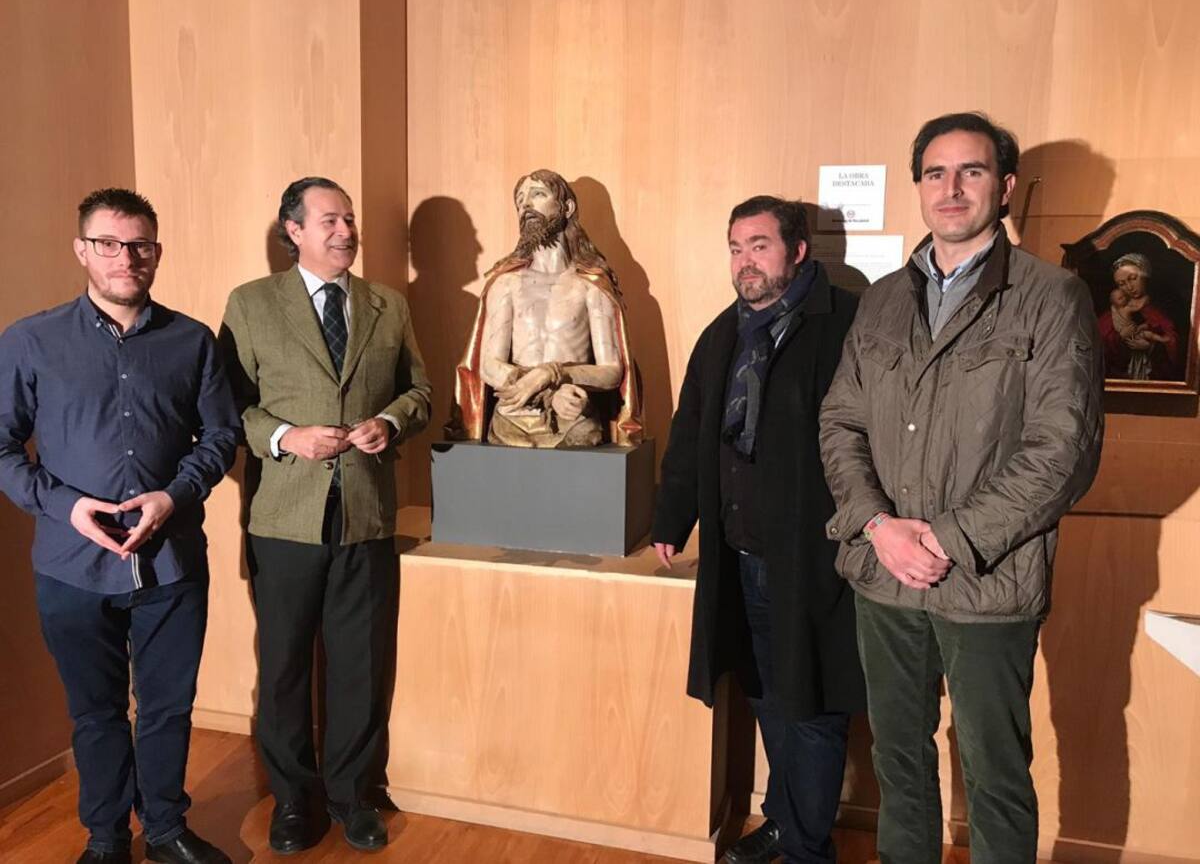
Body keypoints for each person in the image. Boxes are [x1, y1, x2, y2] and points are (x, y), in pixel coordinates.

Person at [820, 112, 1105, 863]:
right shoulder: (883, 299)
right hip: (885, 574)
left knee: (995, 772)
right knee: (898, 760)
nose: (951, 188)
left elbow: (1064, 449)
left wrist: (949, 538)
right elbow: (841, 422)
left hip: (989, 580)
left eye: (970, 171)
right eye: (935, 173)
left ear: (1004, 187)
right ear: (919, 186)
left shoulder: (1052, 296)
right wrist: (877, 525)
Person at [0, 188, 239, 864]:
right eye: (108, 243)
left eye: (140, 245)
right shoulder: (30, 341)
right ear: (82, 250)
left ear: (156, 253)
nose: (125, 258)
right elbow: (2, 447)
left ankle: (164, 829)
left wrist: (176, 495)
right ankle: (105, 836)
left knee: (167, 707)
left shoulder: (192, 340)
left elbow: (221, 436)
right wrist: (64, 506)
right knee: (96, 710)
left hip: (171, 562)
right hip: (71, 567)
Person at [220, 177, 431, 853]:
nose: (346, 232)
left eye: (350, 220)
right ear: (294, 231)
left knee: (359, 665)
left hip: (366, 515)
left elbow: (420, 391)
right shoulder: (251, 304)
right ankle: (292, 801)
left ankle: (353, 795)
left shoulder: (388, 306)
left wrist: (390, 422)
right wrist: (287, 438)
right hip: (283, 519)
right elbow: (229, 407)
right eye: (330, 220)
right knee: (284, 667)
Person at [652, 196, 866, 863]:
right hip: (739, 553)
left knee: (814, 704)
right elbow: (691, 431)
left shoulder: (844, 325)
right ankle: (783, 821)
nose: (745, 261)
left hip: (815, 559)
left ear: (798, 251)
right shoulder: (724, 334)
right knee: (768, 695)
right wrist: (672, 516)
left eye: (760, 246)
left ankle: (808, 848)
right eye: (736, 247)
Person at [448, 168, 642, 447]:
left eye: (538, 194)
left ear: (567, 207)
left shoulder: (590, 286)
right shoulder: (506, 284)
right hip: (512, 418)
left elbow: (612, 370)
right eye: (520, 200)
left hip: (572, 418)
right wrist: (542, 388)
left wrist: (553, 373)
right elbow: (488, 365)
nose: (526, 204)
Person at [1097, 252, 1179, 380]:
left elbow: (1176, 345)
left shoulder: (1163, 308)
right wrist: (1120, 339)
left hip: (1156, 381)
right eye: (1121, 284)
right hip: (1119, 381)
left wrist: (1152, 347)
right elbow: (1099, 348)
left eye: (1133, 278)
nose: (1129, 287)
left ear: (1145, 275)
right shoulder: (1111, 315)